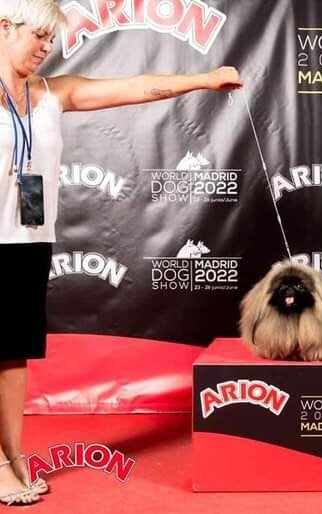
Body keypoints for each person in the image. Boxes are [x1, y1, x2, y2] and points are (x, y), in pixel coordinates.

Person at [0, 0, 242, 505]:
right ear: (5, 27)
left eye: (52, 39)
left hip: (28, 239)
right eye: (38, 36)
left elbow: (137, 87)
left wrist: (204, 80)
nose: (46, 47)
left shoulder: (52, 93)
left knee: (13, 354)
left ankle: (13, 454)